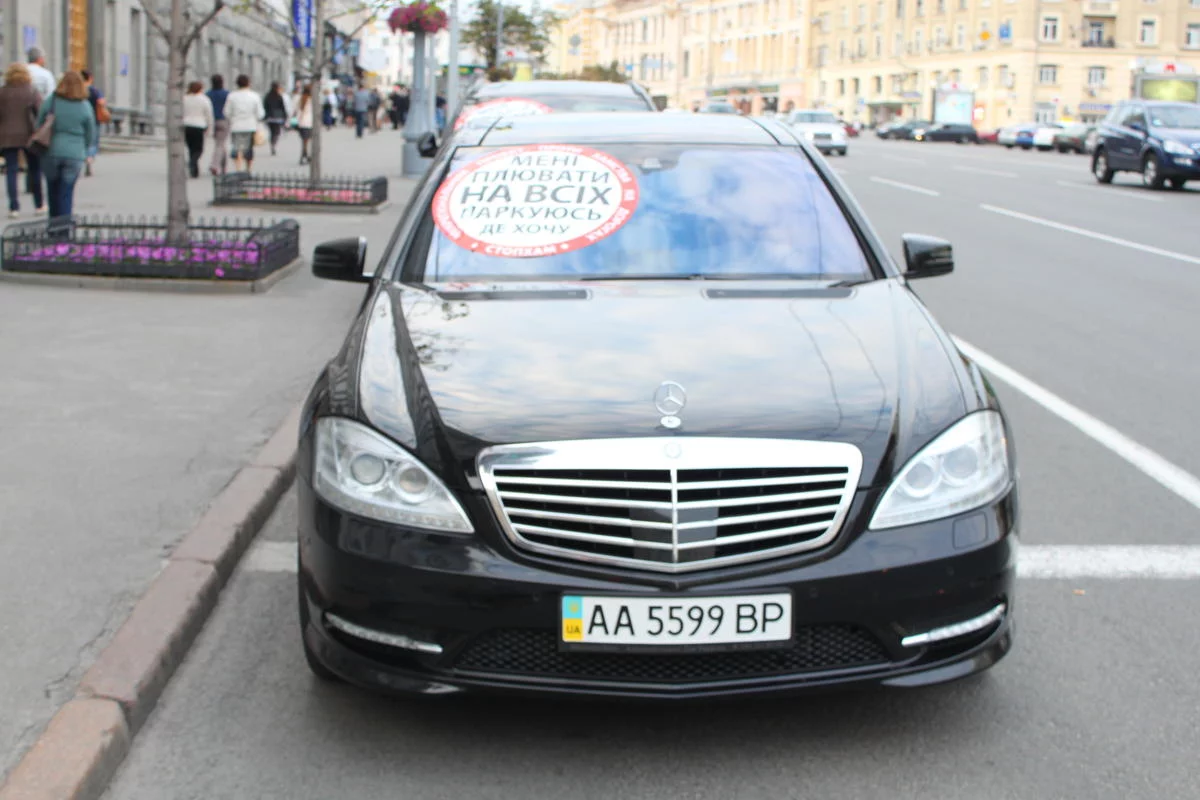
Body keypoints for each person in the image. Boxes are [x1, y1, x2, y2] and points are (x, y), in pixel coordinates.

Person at [36, 71, 96, 220]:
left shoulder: (52, 101)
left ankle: (53, 226)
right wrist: (84, 149)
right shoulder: (84, 105)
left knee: (52, 191)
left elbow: (39, 123)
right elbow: (91, 133)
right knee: (66, 192)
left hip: (51, 152)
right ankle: (64, 227)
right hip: (75, 154)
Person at [0, 62, 45, 218]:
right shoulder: (32, 91)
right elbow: (40, 112)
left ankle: (14, 208)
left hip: (7, 136)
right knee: (34, 169)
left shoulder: (2, 92)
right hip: (29, 135)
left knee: (11, 171)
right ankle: (39, 204)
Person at [225, 74, 263, 173]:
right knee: (249, 148)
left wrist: (232, 118)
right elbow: (260, 114)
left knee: (237, 148)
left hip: (236, 126)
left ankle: (238, 168)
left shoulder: (232, 96)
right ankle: (248, 169)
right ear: (248, 83)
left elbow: (226, 112)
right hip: (250, 126)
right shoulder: (254, 96)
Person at [182, 81, 213, 178]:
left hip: (186, 125)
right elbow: (209, 115)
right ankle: (193, 162)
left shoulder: (184, 98)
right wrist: (210, 128)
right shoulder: (204, 99)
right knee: (199, 149)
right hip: (199, 126)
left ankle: (194, 169)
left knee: (191, 148)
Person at [80, 70, 108, 176]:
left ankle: (83, 156)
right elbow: (101, 102)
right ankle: (89, 158)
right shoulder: (94, 90)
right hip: (94, 120)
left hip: (81, 119)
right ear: (90, 78)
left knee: (82, 139)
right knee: (93, 141)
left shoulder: (78, 90)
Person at [206, 74, 229, 175]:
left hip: (211, 121)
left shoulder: (208, 94)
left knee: (220, 144)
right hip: (223, 120)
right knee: (220, 144)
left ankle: (223, 167)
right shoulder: (227, 94)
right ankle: (215, 165)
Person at [263, 81, 287, 156]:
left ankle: (272, 143)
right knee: (276, 132)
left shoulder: (267, 96)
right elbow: (282, 107)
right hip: (277, 117)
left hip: (269, 117)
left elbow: (265, 106)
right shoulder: (279, 96)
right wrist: (285, 116)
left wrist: (265, 116)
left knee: (272, 132)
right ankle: (273, 144)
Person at [296, 84, 314, 165]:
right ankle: (304, 156)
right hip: (309, 123)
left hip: (302, 123)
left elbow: (297, 110)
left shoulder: (301, 99)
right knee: (307, 141)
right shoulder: (312, 100)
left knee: (304, 141)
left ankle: (305, 156)